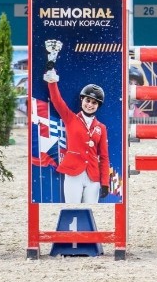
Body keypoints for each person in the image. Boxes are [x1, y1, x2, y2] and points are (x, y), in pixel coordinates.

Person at [42, 41, 110, 204]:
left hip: (93, 176)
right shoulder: (71, 118)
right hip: (73, 173)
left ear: (97, 106)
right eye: (88, 100)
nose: (90, 105)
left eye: (94, 103)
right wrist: (51, 76)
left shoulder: (101, 128)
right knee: (72, 209)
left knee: (89, 212)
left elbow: (105, 157)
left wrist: (105, 182)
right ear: (82, 100)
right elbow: (57, 101)